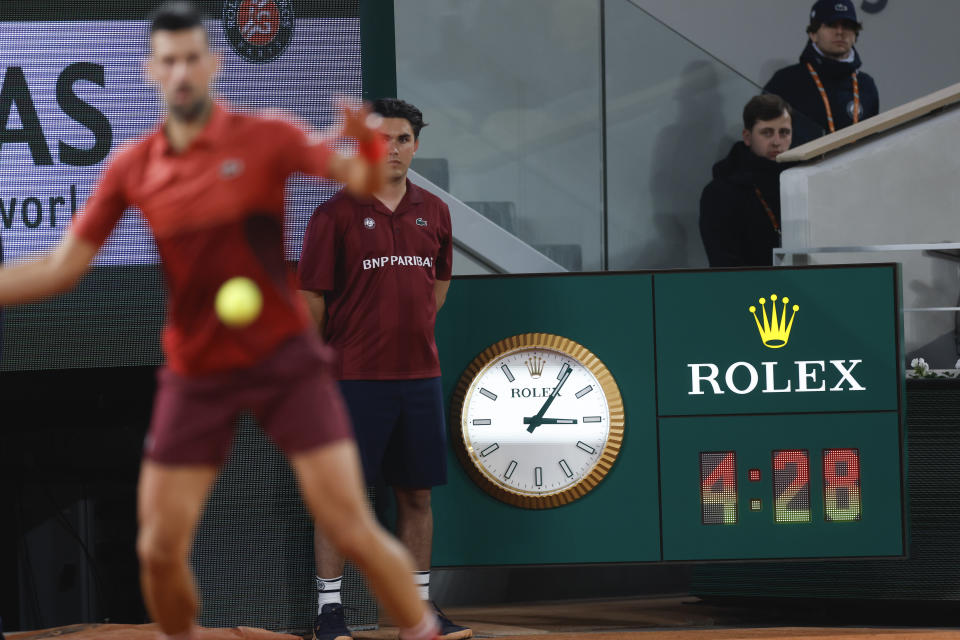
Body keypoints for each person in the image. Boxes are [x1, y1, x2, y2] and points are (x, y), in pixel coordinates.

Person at [0, 4, 441, 640]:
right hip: (199, 371)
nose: (181, 71)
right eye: (168, 61)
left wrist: (370, 149)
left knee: (350, 523)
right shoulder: (132, 165)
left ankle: (419, 630)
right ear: (152, 70)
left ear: (213, 64)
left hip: (285, 362)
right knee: (158, 549)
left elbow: (362, 177)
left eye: (192, 58)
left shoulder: (266, 136)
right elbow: (63, 266)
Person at [298, 99, 470, 640]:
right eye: (381, 139)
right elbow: (311, 298)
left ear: (415, 145)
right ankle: (330, 613)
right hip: (353, 379)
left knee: (416, 497)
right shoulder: (334, 214)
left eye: (402, 139)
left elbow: (437, 286)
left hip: (419, 378)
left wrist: (408, 332)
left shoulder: (435, 212)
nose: (392, 149)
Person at [763, 0, 878, 146]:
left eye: (847, 26)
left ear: (855, 35)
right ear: (813, 34)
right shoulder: (786, 81)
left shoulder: (866, 85)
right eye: (831, 25)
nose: (840, 32)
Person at [699, 94, 794, 267]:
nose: (777, 142)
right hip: (750, 289)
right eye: (767, 132)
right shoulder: (720, 193)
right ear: (747, 137)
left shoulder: (802, 181)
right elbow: (724, 263)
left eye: (784, 132)